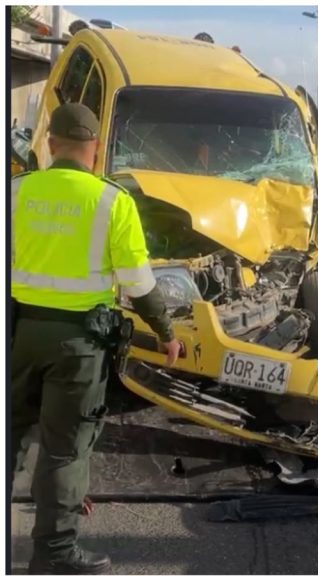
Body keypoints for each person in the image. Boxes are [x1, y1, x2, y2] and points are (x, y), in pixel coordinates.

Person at [10, 103, 184, 575]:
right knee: (64, 448)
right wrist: (166, 333)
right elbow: (137, 281)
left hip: (16, 336)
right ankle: (55, 555)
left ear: (48, 142)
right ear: (97, 147)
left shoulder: (14, 191)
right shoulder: (112, 201)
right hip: (78, 346)